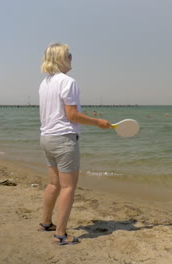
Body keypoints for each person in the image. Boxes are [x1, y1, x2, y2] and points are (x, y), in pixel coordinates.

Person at [38, 42, 111, 245]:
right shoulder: (68, 82)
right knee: (68, 187)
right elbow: (71, 115)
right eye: (69, 55)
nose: (72, 58)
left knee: (53, 183)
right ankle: (61, 234)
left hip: (46, 138)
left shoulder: (45, 83)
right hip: (63, 139)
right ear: (59, 58)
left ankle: (45, 223)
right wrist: (98, 122)